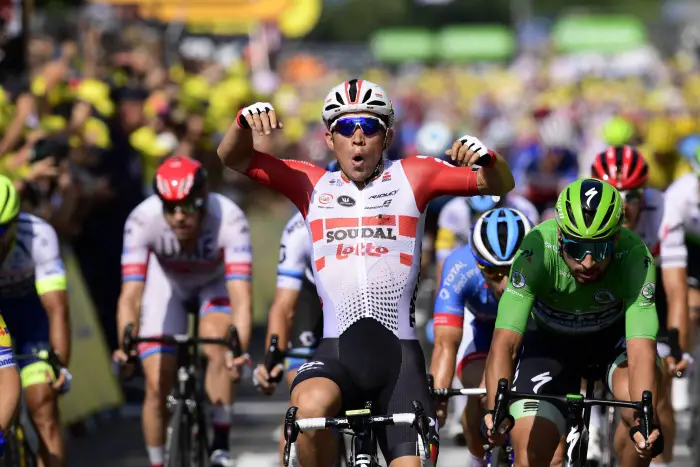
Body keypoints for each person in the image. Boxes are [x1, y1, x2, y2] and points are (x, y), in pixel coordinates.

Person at [217, 78, 515, 467]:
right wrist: (242, 122)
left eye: (369, 127)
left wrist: (487, 159)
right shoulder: (309, 183)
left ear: (387, 136)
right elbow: (233, 158)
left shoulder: (414, 175)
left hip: (399, 359)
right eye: (345, 127)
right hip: (336, 350)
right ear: (329, 138)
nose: (358, 137)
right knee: (308, 411)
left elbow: (499, 183)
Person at [483, 178, 663, 467]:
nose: (589, 262)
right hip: (549, 345)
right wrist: (496, 410)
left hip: (611, 342)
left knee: (638, 414)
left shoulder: (635, 256)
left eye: (601, 248)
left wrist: (644, 419)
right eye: (577, 248)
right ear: (560, 236)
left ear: (617, 238)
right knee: (532, 453)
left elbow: (641, 348)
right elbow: (505, 343)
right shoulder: (536, 250)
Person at [113, 156, 253, 467]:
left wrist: (238, 350)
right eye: (170, 207)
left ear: (203, 201)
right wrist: (126, 348)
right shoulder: (142, 219)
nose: (179, 216)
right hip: (167, 285)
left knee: (218, 345)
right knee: (156, 382)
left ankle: (220, 442)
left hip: (213, 284)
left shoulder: (229, 218)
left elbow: (241, 297)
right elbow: (130, 295)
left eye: (188, 206)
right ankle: (158, 461)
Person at [591, 145, 687, 466]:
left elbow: (675, 290)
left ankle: (661, 461)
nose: (624, 206)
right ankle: (587, 432)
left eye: (632, 197)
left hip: (648, 295)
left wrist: (676, 347)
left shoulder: (663, 210)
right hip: (602, 297)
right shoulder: (586, 208)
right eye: (615, 195)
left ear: (645, 195)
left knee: (659, 394)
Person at [430, 207, 533, 467]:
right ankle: (478, 459)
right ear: (478, 264)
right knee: (482, 395)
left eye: (513, 269)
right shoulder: (459, 267)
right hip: (482, 334)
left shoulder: (542, 265)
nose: (505, 284)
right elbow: (445, 344)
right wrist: (439, 400)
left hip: (530, 334)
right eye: (494, 273)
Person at [252, 162, 336, 463]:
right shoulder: (299, 228)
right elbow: (284, 305)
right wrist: (271, 358)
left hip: (362, 306)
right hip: (313, 307)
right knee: (300, 413)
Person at [0, 174, 72, 467]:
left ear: (17, 220)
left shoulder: (38, 235)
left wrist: (61, 365)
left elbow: (56, 308)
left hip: (31, 319)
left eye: (2, 230)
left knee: (42, 401)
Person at [434, 193, 539, 291]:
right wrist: (442, 294)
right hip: (467, 257)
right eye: (477, 214)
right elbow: (443, 259)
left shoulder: (526, 209)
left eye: (493, 211)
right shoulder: (452, 211)